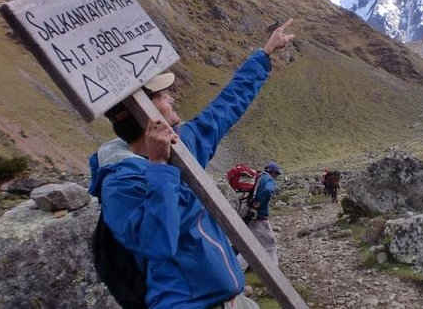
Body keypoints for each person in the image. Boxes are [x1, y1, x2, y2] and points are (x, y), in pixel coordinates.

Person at [88, 19, 294, 309]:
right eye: (160, 95)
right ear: (141, 113)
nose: (170, 97)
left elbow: (223, 109)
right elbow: (158, 245)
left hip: (229, 299)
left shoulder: (182, 147)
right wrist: (159, 168)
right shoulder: (121, 183)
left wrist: (265, 54)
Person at [242, 161, 282, 268]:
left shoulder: (258, 177)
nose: (277, 176)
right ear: (273, 173)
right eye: (277, 174)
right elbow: (269, 190)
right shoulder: (269, 179)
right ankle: (275, 275)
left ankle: (235, 274)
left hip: (249, 215)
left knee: (247, 247)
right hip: (259, 217)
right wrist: (260, 202)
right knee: (270, 246)